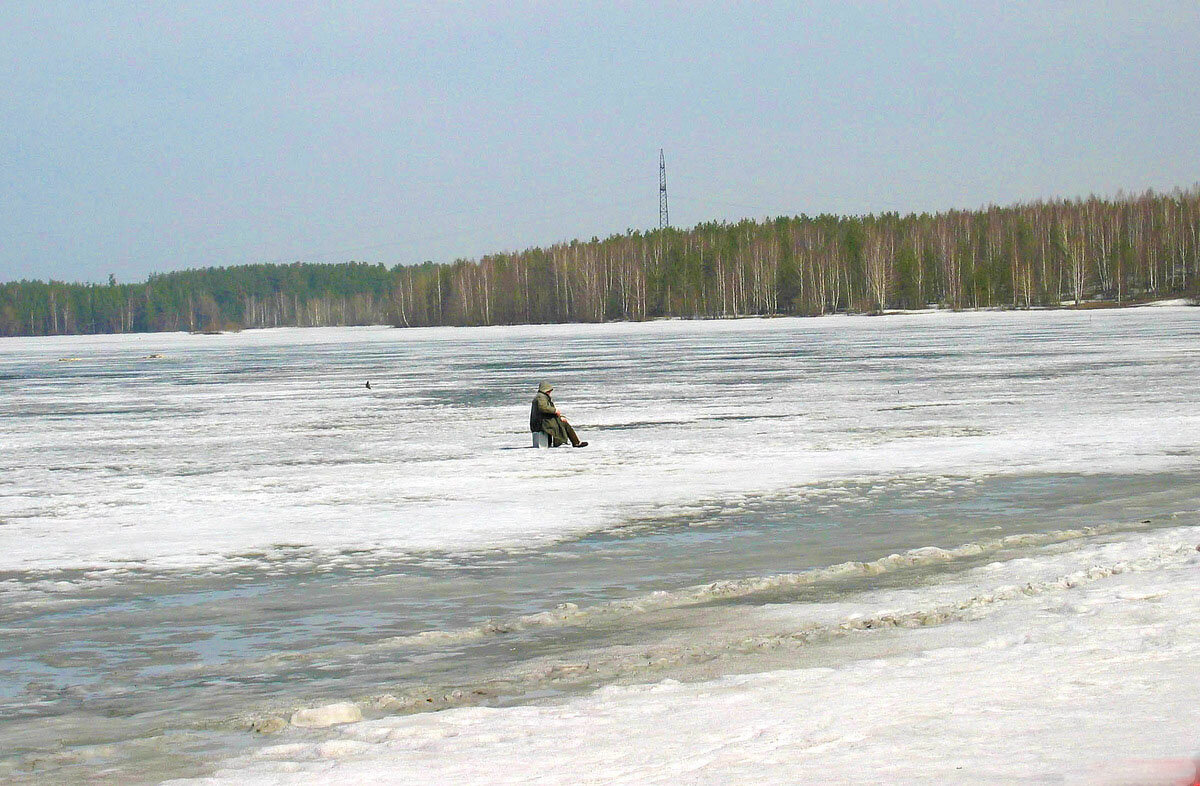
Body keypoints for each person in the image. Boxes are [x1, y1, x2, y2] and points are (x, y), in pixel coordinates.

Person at [530, 382, 588, 448]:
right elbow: (543, 408)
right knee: (564, 424)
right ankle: (576, 442)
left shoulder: (541, 396)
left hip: (541, 421)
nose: (549, 392)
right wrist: (554, 411)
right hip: (541, 423)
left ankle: (574, 442)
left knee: (561, 422)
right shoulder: (541, 397)